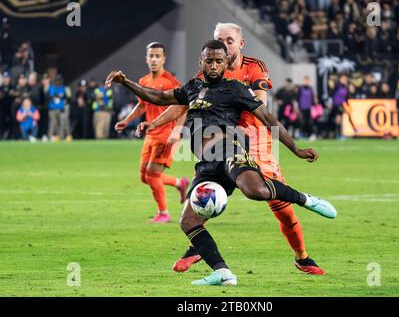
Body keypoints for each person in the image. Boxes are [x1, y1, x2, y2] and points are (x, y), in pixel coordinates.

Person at [105, 40, 337, 286]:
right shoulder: (192, 87)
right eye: (209, 61)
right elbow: (160, 98)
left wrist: (296, 150)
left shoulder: (235, 89)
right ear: (201, 62)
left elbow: (269, 118)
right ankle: (223, 273)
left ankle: (306, 199)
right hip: (207, 164)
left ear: (226, 63)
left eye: (218, 61)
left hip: (229, 149)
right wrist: (126, 82)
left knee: (255, 190)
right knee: (188, 220)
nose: (213, 65)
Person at [114, 42, 190, 223]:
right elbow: (142, 105)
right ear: (146, 59)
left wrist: (177, 132)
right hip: (151, 135)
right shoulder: (144, 81)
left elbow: (183, 106)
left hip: (167, 135)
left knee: (152, 175)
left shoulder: (171, 82)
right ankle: (180, 183)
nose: (154, 59)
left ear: (163, 59)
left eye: (158, 56)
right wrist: (127, 121)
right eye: (151, 56)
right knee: (144, 177)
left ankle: (163, 213)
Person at [47, 75, 71, 141]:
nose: (58, 82)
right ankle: (51, 137)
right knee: (53, 124)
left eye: (59, 80)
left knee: (62, 123)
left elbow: (68, 98)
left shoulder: (64, 88)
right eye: (57, 80)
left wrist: (62, 99)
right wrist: (54, 96)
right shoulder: (50, 88)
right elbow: (47, 97)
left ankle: (62, 137)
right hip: (52, 109)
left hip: (61, 108)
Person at [297, 76, 315, 140]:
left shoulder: (310, 88)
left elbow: (312, 98)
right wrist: (298, 108)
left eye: (307, 80)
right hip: (302, 108)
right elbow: (298, 98)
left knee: (309, 122)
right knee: (303, 122)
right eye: (305, 80)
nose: (306, 82)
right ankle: (301, 134)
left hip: (309, 108)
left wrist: (313, 106)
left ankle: (310, 134)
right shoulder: (300, 88)